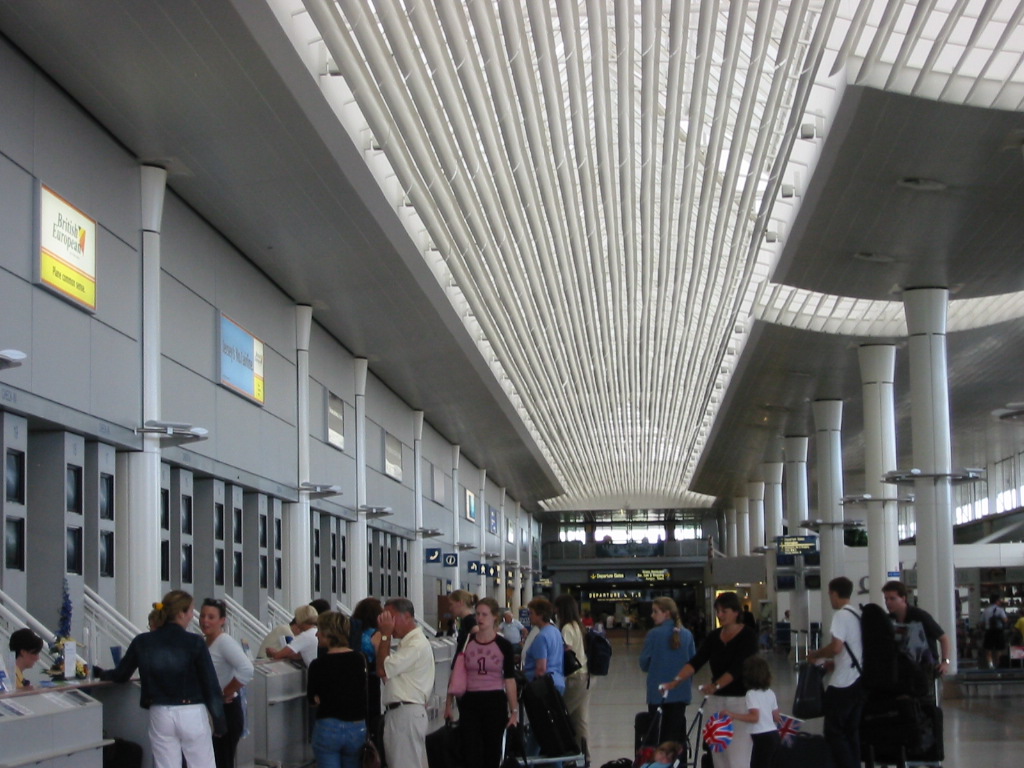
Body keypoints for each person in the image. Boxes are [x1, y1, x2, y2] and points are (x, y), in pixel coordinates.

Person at [98, 590, 225, 768]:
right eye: (191, 612)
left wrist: (101, 673)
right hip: (192, 711)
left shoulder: (142, 641)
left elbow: (121, 675)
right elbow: (210, 684)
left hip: (160, 712)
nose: (192, 616)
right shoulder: (195, 642)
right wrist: (219, 720)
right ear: (181, 613)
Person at [662, 592, 758, 768]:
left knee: (738, 758)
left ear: (736, 612)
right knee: (718, 757)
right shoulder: (714, 636)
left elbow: (738, 667)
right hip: (716, 703)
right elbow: (697, 661)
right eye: (718, 611)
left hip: (740, 701)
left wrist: (716, 685)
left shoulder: (748, 635)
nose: (720, 615)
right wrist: (676, 681)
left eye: (724, 611)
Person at [444, 597, 518, 766]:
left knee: (492, 751)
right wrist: (448, 704)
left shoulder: (503, 645)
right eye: (478, 614)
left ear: (494, 617)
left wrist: (514, 711)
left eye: (485, 614)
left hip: (494, 701)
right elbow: (456, 673)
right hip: (470, 701)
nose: (480, 618)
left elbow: (509, 679)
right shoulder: (468, 642)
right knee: (471, 751)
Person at [806, 576, 863, 768]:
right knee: (851, 732)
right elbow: (849, 650)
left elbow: (836, 647)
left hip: (842, 684)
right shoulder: (857, 615)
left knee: (834, 732)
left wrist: (817, 654)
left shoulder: (840, 616)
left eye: (830, 594)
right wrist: (834, 663)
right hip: (858, 681)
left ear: (834, 593)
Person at [376, 597, 435, 768]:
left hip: (405, 713)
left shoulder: (415, 645)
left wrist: (385, 635)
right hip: (405, 712)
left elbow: (382, 669)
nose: (388, 623)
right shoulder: (409, 644)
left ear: (407, 616)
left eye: (391, 617)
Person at [307, 611, 368, 768]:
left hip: (328, 725)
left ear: (328, 633)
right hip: (356, 727)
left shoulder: (317, 664)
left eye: (319, 630)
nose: (316, 635)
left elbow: (312, 700)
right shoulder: (359, 660)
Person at [199, 597, 254, 768]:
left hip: (226, 711)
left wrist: (225, 692)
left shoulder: (224, 642)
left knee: (222, 760)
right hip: (212, 709)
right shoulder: (204, 642)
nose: (205, 621)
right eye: (202, 616)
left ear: (222, 620)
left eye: (211, 617)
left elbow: (246, 669)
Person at [640, 597, 696, 745]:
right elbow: (693, 664)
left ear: (667, 614)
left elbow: (644, 664)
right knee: (675, 735)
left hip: (658, 693)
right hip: (680, 692)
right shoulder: (687, 635)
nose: (652, 615)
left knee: (657, 736)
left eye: (655, 611)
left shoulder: (653, 634)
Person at [882, 580, 952, 676]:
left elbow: (944, 638)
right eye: (886, 599)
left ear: (903, 598)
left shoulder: (920, 616)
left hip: (925, 668)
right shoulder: (890, 619)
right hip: (904, 668)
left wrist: (945, 662)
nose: (888, 602)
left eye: (892, 599)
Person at [724, 655, 781, 768]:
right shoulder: (770, 692)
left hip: (762, 738)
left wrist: (732, 715)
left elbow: (755, 717)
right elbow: (776, 717)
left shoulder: (751, 694)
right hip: (774, 735)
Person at [555, 594, 591, 764]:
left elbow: (566, 648)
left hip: (573, 677)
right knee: (579, 719)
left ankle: (566, 755)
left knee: (561, 716)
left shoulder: (567, 628)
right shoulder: (578, 625)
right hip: (584, 675)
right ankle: (583, 756)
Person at [351, 597, 384, 742]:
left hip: (354, 677)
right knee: (372, 716)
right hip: (371, 678)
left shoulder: (354, 632)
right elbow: (381, 657)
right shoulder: (376, 634)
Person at [522, 597, 565, 693]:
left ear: (540, 615)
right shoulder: (555, 631)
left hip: (544, 685)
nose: (529, 616)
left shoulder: (541, 637)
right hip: (557, 680)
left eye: (531, 613)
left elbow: (541, 669)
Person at [447, 589, 477, 659]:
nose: (450, 608)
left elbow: (477, 634)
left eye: (451, 604)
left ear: (460, 603)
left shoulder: (469, 620)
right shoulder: (465, 620)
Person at [981, 593, 1008, 668]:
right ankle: (998, 664)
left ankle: (990, 665)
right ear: (997, 601)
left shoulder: (986, 610)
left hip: (989, 631)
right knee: (998, 649)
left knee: (988, 649)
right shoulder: (1000, 610)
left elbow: (982, 623)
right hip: (998, 631)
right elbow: (1005, 620)